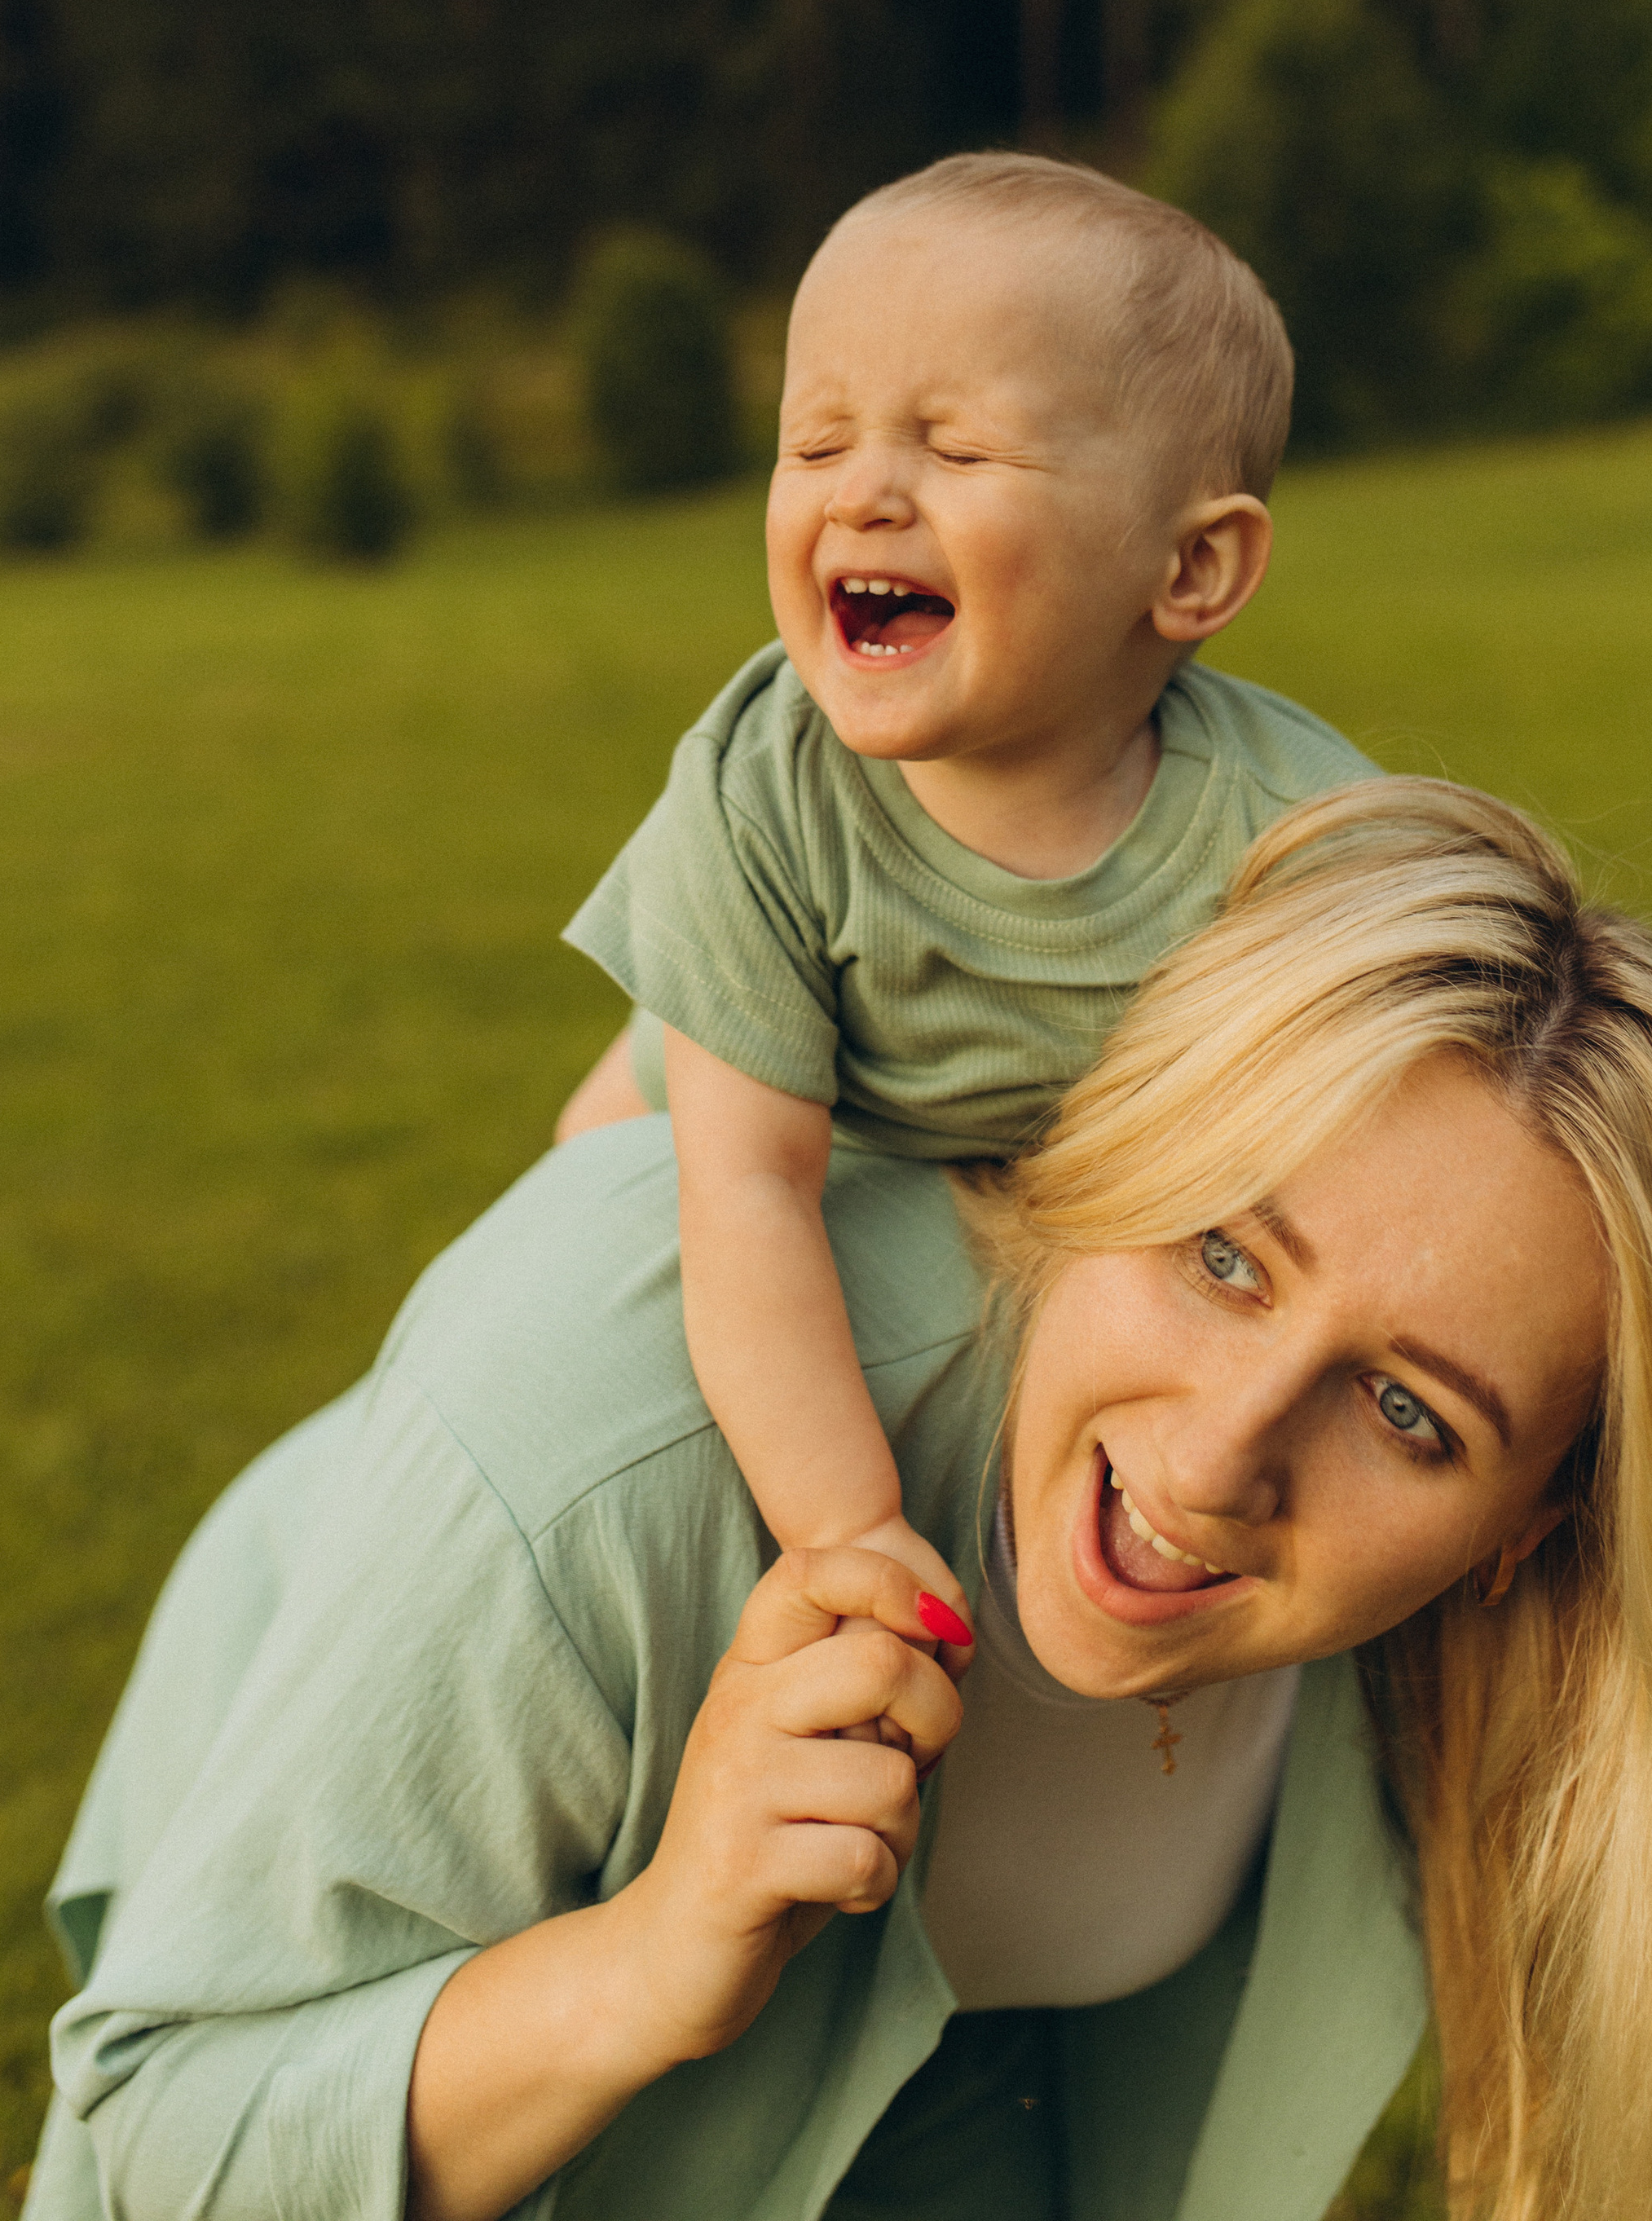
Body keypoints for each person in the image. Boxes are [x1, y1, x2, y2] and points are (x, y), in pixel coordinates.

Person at [28, 781, 1652, 2221]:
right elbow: (179, 2147)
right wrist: (659, 1954)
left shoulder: (1462, 1673)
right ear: (1104, 1156)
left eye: (1405, 1411)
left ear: (1537, 1526)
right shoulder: (600, 1430)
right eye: (1218, 1253)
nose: (1220, 1458)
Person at [560, 148, 1369, 1630]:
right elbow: (745, 1188)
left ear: (1189, 569)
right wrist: (848, 1531)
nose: (864, 494)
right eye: (814, 446)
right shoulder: (765, 792)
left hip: (1026, 1183)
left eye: (958, 449)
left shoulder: (1290, 843)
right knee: (585, 1215)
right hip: (731, 1100)